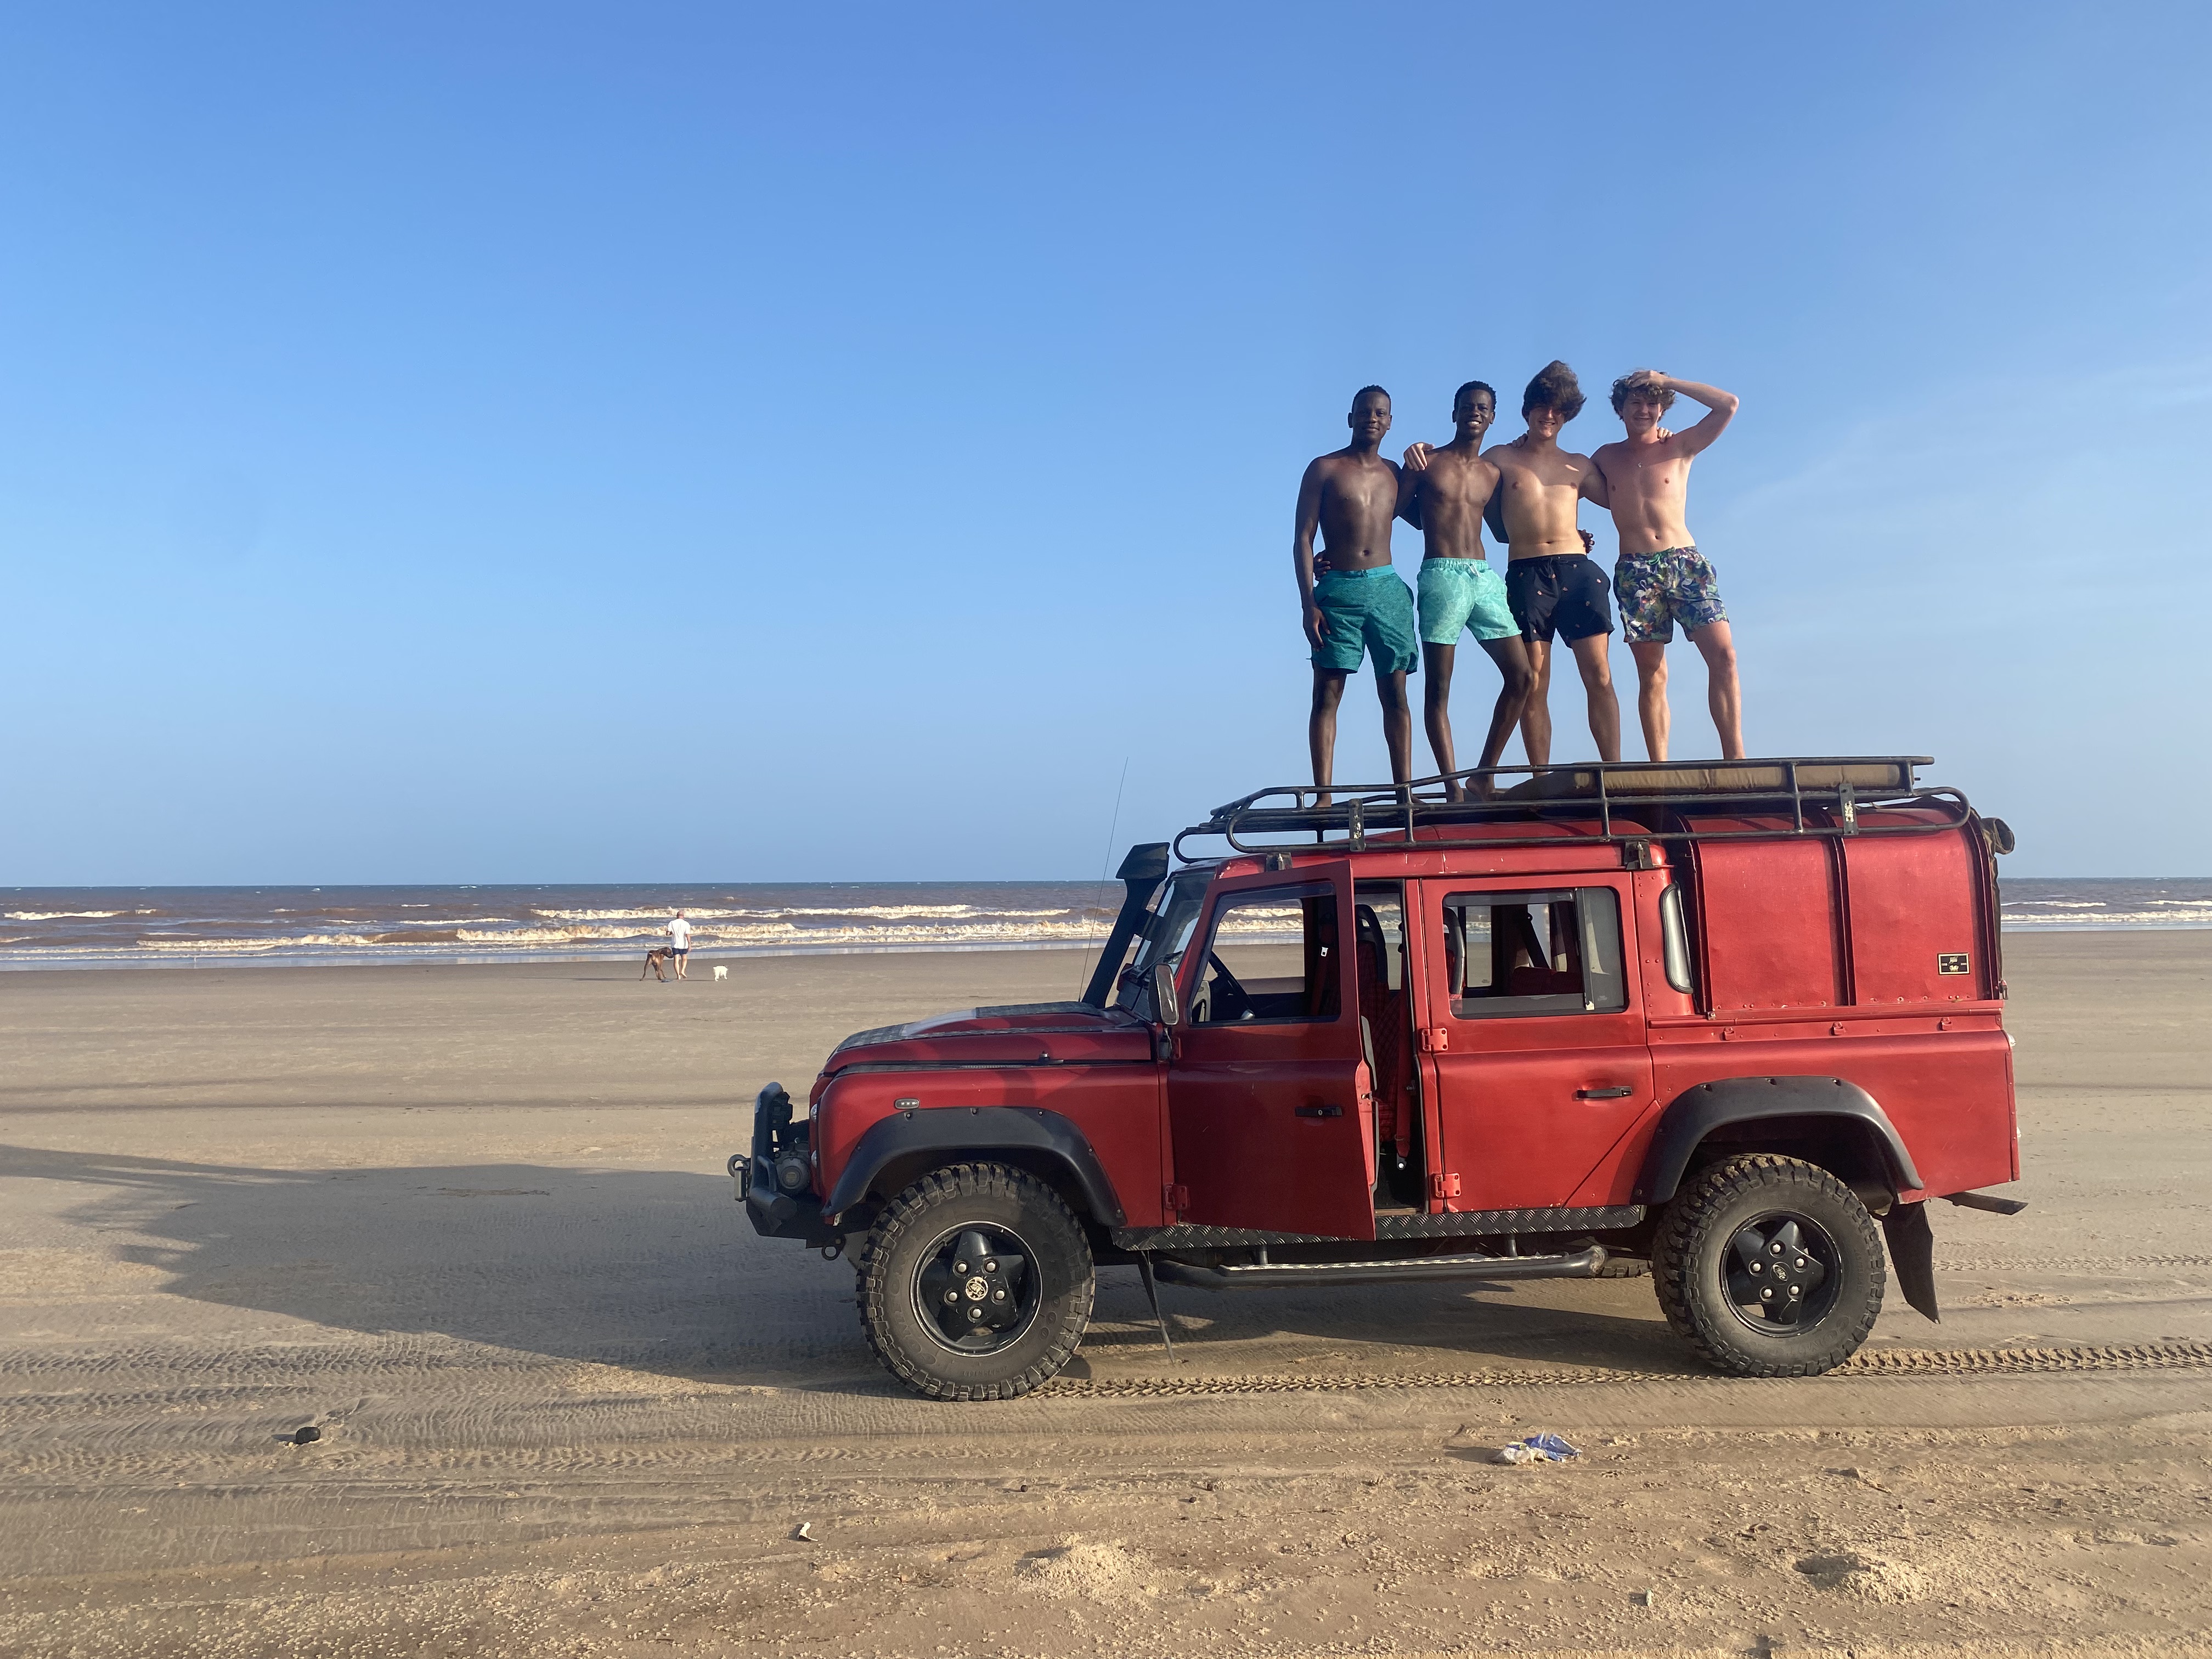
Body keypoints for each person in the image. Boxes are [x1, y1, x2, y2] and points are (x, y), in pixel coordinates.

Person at [1592, 369, 1743, 760]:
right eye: (1636, 403)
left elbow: (1728, 404)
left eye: (1652, 402)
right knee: (1653, 675)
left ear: (1662, 408)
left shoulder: (1679, 445)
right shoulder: (1606, 457)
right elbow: (1564, 487)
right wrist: (1574, 530)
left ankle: (1736, 759)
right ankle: (1659, 765)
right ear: (1621, 409)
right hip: (1636, 571)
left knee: (1724, 656)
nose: (1644, 410)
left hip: (1685, 562)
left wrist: (1669, 381)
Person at [1397, 381, 1534, 799]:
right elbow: (1391, 509)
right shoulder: (1426, 462)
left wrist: (1568, 535)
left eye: (1483, 407)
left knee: (1523, 675)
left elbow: (1501, 530)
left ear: (1493, 416)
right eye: (1467, 406)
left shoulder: (1491, 473)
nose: (1475, 412)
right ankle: (1452, 787)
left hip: (1483, 576)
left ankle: (1483, 775)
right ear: (1454, 413)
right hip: (1441, 574)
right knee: (1439, 688)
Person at [1482, 361, 1620, 765]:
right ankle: (1542, 779)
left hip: (1578, 571)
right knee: (1535, 682)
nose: (1549, 415)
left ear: (1568, 415)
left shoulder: (1579, 464)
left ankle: (1614, 770)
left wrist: (1654, 444)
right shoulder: (1501, 457)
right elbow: (1457, 482)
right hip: (1527, 572)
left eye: (1558, 409)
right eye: (1542, 407)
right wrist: (1422, 452)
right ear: (1527, 410)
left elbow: (1627, 497)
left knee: (1599, 675)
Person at [1293, 386, 1417, 804]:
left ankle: (1404, 791)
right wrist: (1308, 601)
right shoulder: (1324, 469)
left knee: (1395, 692)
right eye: (1365, 412)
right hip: (1337, 589)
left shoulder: (1396, 474)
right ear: (1350, 418)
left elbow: (1436, 512)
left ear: (1390, 422)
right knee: (1327, 691)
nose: (1372, 419)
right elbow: (1303, 538)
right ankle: (1323, 795)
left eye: (1381, 413)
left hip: (1386, 586)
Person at [668, 909, 692, 980]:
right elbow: (687, 935)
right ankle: (683, 971)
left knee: (676, 960)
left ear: (677, 916)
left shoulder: (672, 923)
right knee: (684, 958)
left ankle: (678, 975)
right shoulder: (686, 924)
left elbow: (668, 933)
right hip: (684, 944)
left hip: (675, 943)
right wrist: (690, 944)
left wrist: (672, 932)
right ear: (683, 916)